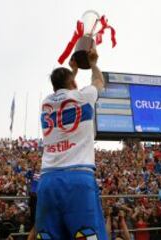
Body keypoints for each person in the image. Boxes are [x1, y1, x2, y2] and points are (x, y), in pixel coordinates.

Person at [35, 48, 107, 239]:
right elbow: (99, 81)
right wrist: (93, 63)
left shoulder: (45, 104)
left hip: (47, 180)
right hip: (78, 178)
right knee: (86, 234)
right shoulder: (84, 96)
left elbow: (62, 90)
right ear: (74, 83)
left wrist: (72, 70)